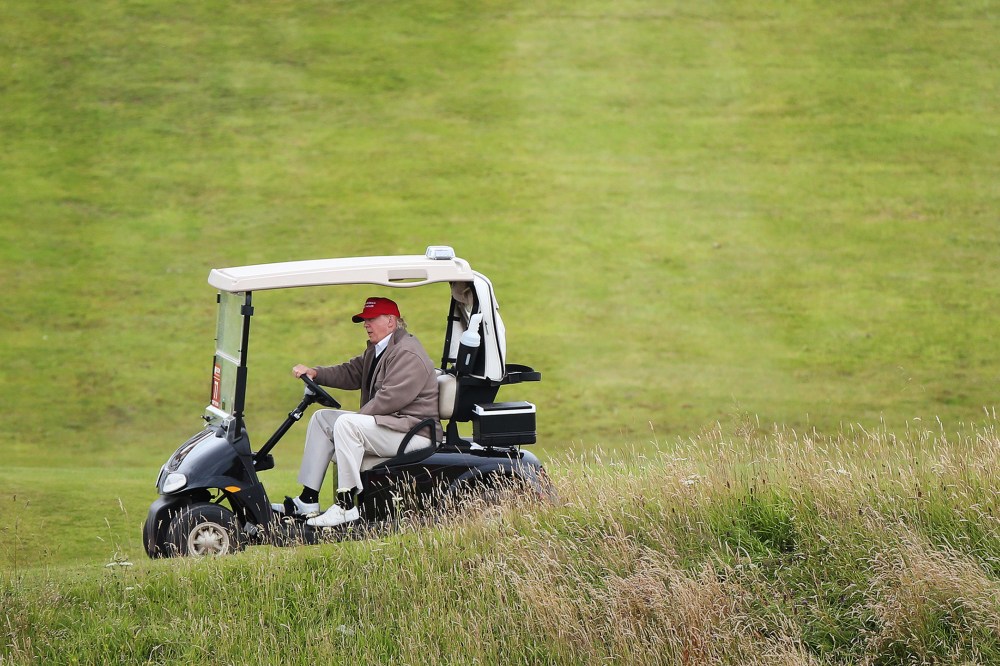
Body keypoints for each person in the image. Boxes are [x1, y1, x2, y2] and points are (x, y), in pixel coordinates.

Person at [274, 296, 441, 528]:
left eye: (372, 319)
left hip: (413, 433)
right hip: (392, 426)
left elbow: (389, 399)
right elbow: (351, 372)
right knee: (323, 419)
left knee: (346, 424)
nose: (366, 324)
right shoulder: (379, 349)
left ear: (391, 321)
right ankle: (308, 500)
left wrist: (351, 422)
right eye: (365, 319)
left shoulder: (408, 354)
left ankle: (345, 506)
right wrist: (316, 373)